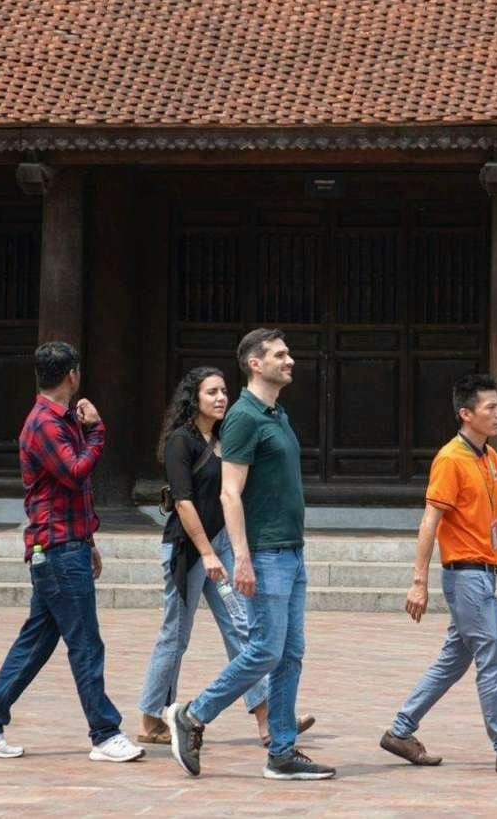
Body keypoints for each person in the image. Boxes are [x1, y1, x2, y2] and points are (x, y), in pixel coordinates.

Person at [0, 341, 144, 763]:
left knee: (36, 643)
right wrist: (98, 431)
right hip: (57, 549)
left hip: (66, 544)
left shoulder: (59, 420)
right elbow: (75, 470)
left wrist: (90, 541)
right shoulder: (44, 422)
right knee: (86, 644)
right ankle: (105, 732)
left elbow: (74, 490)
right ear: (73, 375)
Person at [167, 329, 335, 781]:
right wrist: (241, 556)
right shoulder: (243, 417)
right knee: (264, 649)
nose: (291, 360)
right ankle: (194, 714)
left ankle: (281, 751)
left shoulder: (276, 413)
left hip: (291, 552)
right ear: (255, 364)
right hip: (265, 554)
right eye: (280, 355)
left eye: (289, 353)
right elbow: (229, 493)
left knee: (290, 652)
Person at [379, 373, 497, 776]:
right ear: (466, 413)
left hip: (485, 573)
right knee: (493, 660)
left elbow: (488, 512)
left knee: (453, 662)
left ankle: (400, 731)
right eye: (490, 407)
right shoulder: (450, 459)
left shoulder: (490, 458)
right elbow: (430, 520)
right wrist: (418, 580)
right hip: (466, 577)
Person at [134, 366, 314, 750]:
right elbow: (183, 502)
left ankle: (268, 719)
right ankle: (151, 718)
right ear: (193, 398)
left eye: (223, 391)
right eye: (211, 392)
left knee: (243, 630)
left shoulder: (223, 437)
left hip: (221, 546)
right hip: (188, 549)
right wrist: (207, 553)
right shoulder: (180, 442)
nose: (220, 398)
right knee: (175, 635)